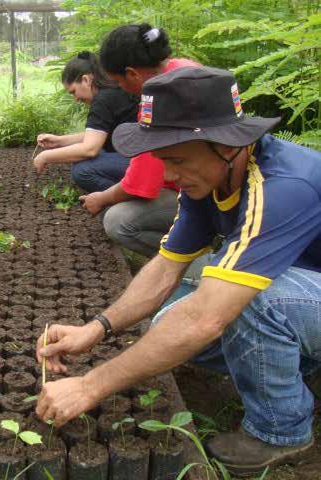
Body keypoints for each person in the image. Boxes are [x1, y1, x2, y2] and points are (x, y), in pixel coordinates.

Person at [34, 66, 321, 476]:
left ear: (227, 145)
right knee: (168, 322)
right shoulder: (206, 180)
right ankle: (299, 362)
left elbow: (207, 317)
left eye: (176, 160)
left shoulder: (283, 186)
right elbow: (165, 269)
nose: (168, 176)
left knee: (240, 304)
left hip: (306, 291)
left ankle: (282, 429)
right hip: (303, 288)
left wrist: (89, 386)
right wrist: (96, 329)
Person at [80, 24, 199, 257]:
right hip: (212, 183)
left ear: (133, 73)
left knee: (116, 219)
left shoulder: (159, 97)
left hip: (202, 193)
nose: (121, 88)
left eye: (119, 81)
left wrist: (101, 198)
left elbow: (142, 181)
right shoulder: (184, 68)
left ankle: (192, 259)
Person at [32, 51, 138, 193]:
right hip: (142, 155)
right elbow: (98, 135)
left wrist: (46, 156)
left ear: (86, 80)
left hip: (143, 162)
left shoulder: (102, 100)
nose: (75, 99)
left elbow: (90, 149)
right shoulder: (113, 90)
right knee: (89, 157)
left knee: (83, 170)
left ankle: (128, 196)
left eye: (73, 91)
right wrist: (59, 141)